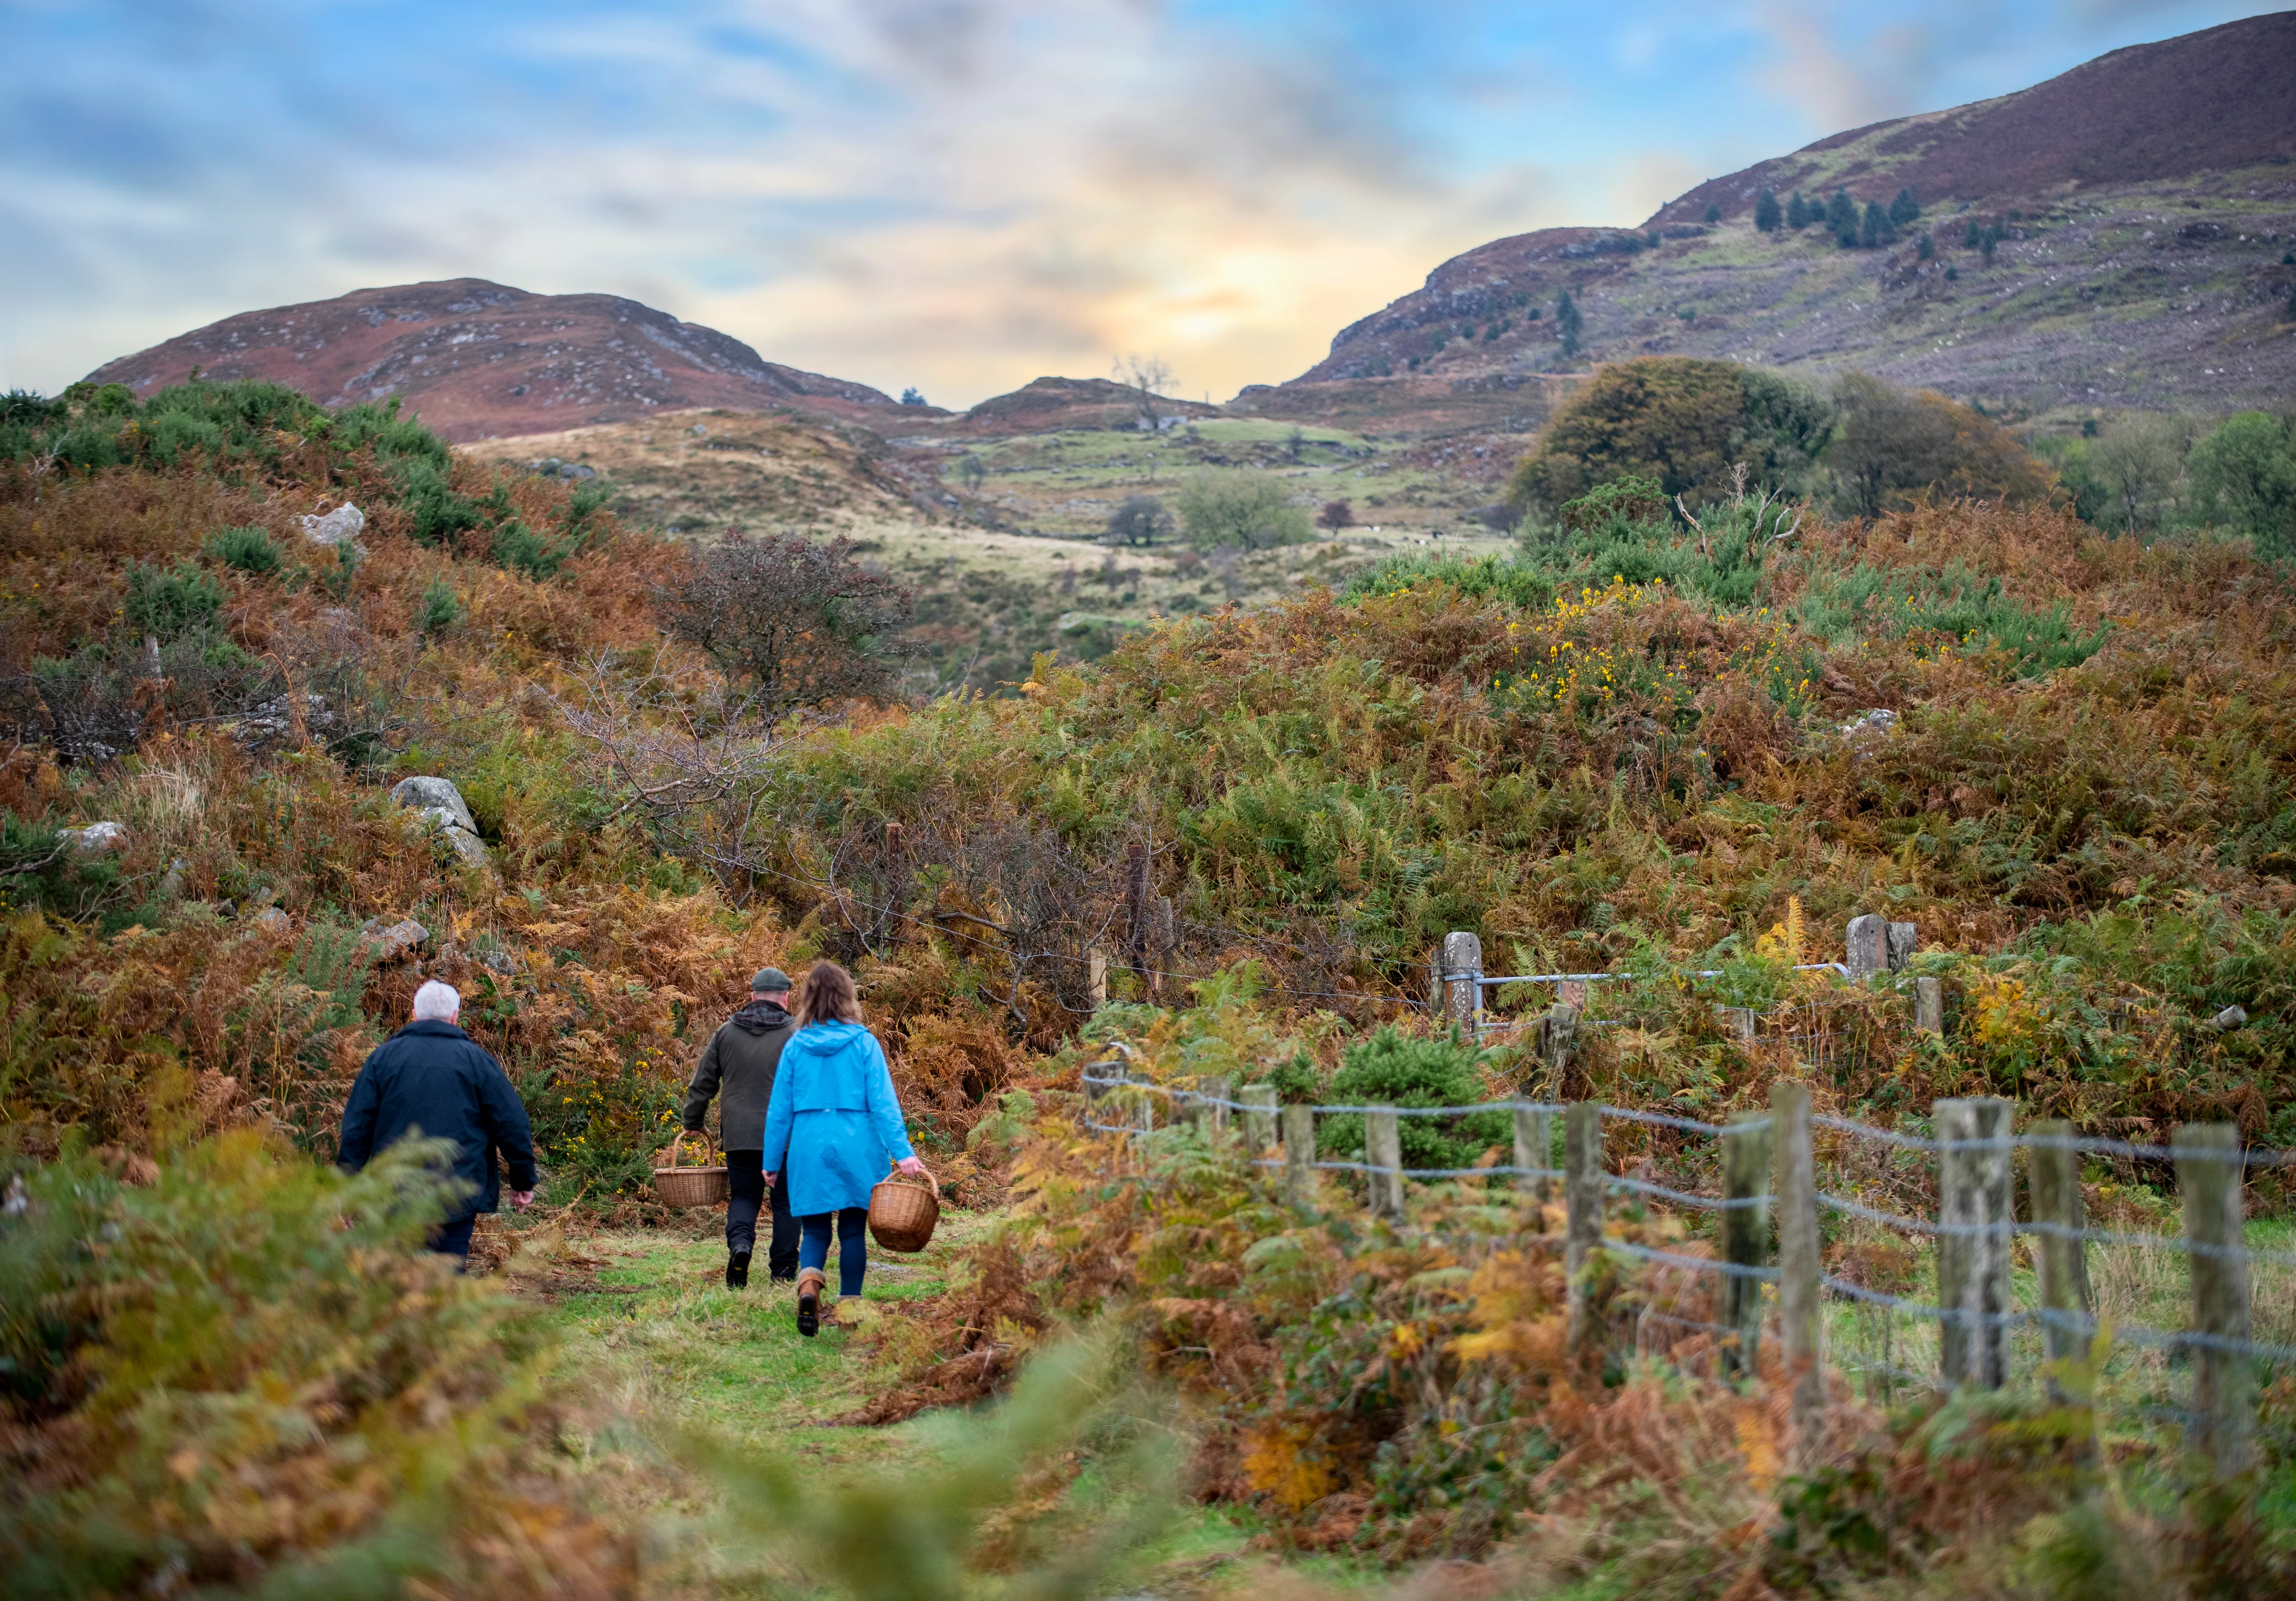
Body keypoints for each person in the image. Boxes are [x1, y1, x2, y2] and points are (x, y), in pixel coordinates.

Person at [760, 961, 925, 1337]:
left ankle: (808, 1289)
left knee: (815, 1231)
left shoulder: (795, 1047)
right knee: (853, 1231)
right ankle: (851, 1306)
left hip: (808, 1144)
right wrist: (903, 1153)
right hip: (858, 1144)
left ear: (808, 999)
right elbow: (884, 1104)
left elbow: (779, 1110)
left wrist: (771, 1160)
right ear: (847, 997)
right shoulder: (864, 1043)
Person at [339, 979, 537, 1265]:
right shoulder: (477, 1062)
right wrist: (523, 1181)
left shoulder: (382, 1060)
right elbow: (512, 1123)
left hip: (395, 1192)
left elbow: (357, 1128)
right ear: (455, 1016)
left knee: (397, 1276)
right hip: (456, 1193)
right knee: (448, 1274)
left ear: (414, 1014)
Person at [681, 966, 800, 1288]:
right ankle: (784, 1272)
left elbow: (702, 1083)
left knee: (745, 1198)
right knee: (787, 1203)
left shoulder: (726, 1032)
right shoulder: (796, 1035)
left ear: (752, 996)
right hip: (788, 1138)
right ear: (786, 997)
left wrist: (693, 1121)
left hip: (740, 1135)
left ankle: (741, 1248)